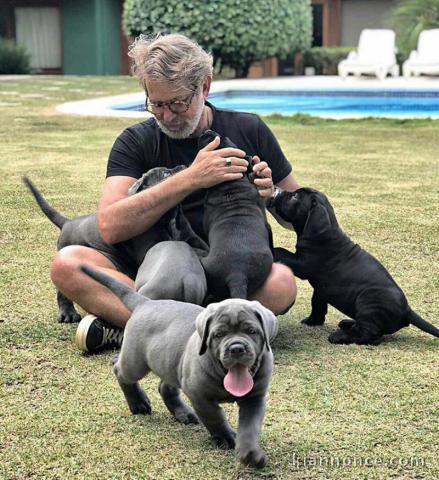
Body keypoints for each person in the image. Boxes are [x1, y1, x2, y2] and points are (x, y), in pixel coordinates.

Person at [50, 33, 300, 354]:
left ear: (205, 87)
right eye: (157, 104)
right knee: (67, 264)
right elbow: (110, 225)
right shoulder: (135, 141)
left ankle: (138, 329)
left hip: (226, 271)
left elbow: (299, 216)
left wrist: (273, 195)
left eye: (178, 103)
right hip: (147, 272)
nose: (167, 116)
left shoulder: (248, 130)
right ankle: (200, 331)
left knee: (281, 283)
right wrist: (190, 178)